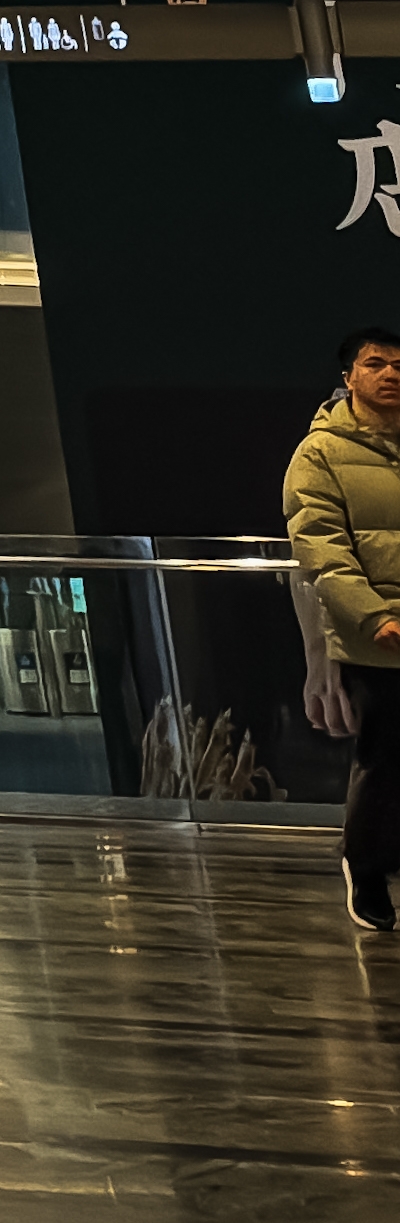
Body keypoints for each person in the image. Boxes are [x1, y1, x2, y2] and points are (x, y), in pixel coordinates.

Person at [281, 323, 400, 931]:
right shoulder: (321, 451)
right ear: (349, 376)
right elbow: (319, 543)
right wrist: (372, 615)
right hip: (375, 636)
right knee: (383, 757)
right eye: (375, 363)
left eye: (398, 364)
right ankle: (367, 866)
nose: (391, 373)